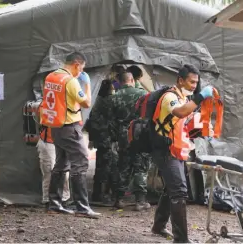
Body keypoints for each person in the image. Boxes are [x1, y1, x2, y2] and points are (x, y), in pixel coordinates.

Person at [150, 64, 214, 243]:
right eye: (191, 81)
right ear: (180, 80)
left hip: (177, 149)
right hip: (165, 150)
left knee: (171, 188)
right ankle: (181, 239)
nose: (194, 85)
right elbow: (179, 112)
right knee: (178, 192)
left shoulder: (183, 97)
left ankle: (158, 226)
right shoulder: (170, 97)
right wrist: (201, 96)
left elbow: (182, 122)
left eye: (196, 82)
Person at [40, 52, 101, 218]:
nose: (81, 72)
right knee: (80, 162)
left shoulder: (51, 77)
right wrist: (87, 85)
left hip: (55, 126)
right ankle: (82, 207)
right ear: (76, 64)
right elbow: (87, 102)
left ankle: (54, 204)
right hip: (69, 126)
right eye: (82, 68)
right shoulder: (71, 81)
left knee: (61, 164)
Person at [109, 71, 152, 211]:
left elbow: (111, 120)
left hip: (123, 135)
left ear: (121, 82)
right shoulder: (142, 94)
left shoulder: (114, 97)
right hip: (139, 133)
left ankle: (119, 199)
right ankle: (140, 201)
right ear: (132, 80)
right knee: (140, 166)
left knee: (124, 166)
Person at [87, 79, 117, 204]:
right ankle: (104, 195)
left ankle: (97, 193)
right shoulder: (111, 101)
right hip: (109, 138)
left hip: (100, 138)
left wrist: (92, 139)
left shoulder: (96, 101)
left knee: (100, 167)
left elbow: (91, 121)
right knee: (108, 167)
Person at [36, 125, 70, 207]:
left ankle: (64, 198)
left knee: (65, 172)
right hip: (48, 141)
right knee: (49, 170)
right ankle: (48, 199)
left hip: (65, 140)